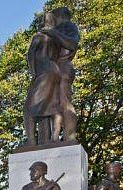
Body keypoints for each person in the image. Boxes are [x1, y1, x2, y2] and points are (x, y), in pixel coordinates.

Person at [23, 12, 63, 146]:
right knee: (53, 105)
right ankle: (55, 137)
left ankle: (31, 142)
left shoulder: (40, 36)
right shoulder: (57, 40)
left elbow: (31, 54)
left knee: (28, 109)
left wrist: (33, 72)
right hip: (55, 71)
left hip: (43, 72)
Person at [41, 7, 80, 142]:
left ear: (59, 16)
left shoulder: (68, 26)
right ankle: (54, 138)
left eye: (54, 18)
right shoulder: (57, 30)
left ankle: (70, 137)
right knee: (53, 106)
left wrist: (52, 33)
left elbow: (72, 43)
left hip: (63, 67)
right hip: (52, 70)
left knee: (64, 103)